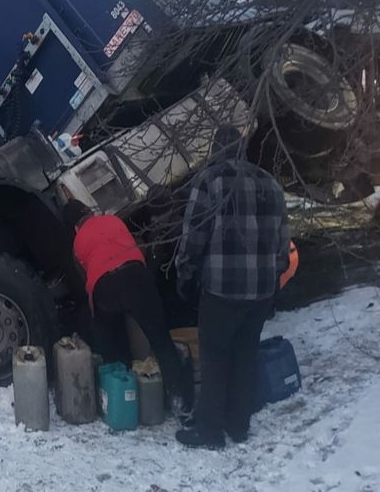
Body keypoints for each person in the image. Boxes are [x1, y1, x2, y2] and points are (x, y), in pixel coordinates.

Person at [173, 125, 290, 449]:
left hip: (222, 290)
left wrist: (186, 272)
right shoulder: (270, 184)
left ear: (214, 150)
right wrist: (274, 277)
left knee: (214, 357)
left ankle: (209, 432)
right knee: (244, 355)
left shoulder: (210, 181)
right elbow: (283, 241)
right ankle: (238, 425)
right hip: (261, 291)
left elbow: (194, 234)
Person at [63, 199, 192, 412]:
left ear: (75, 227)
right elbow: (135, 245)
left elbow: (85, 280)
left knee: (111, 341)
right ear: (90, 212)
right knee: (161, 340)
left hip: (104, 287)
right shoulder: (113, 220)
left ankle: (122, 395)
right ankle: (178, 399)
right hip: (136, 277)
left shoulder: (78, 243)